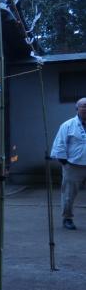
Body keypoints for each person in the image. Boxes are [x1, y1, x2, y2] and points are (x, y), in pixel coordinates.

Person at [50, 97, 86, 230]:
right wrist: (64, 163)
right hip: (73, 166)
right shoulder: (67, 125)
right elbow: (59, 144)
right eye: (83, 106)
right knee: (68, 194)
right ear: (77, 109)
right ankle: (67, 218)